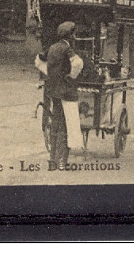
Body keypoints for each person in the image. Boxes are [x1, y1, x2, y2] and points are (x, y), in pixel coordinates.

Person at [44, 21, 84, 170]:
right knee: (66, 126)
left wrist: (51, 76)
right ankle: (62, 162)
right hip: (66, 93)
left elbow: (39, 60)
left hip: (53, 91)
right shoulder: (67, 49)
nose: (74, 37)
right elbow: (78, 63)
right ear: (70, 35)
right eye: (73, 34)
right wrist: (71, 76)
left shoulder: (52, 48)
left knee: (55, 125)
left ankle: (52, 161)